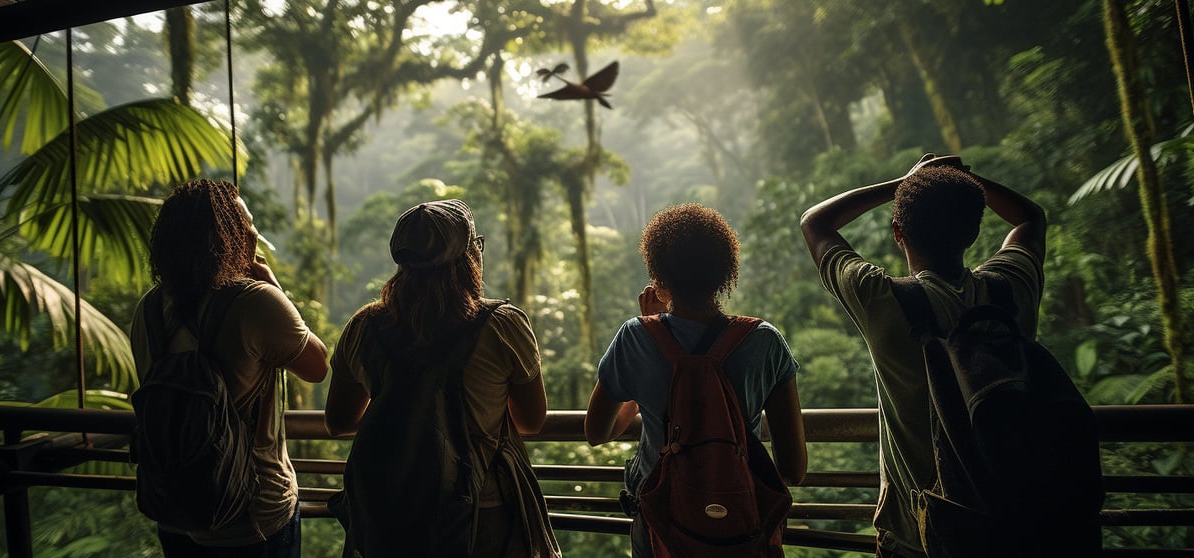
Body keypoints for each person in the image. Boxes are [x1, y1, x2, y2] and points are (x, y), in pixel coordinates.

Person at [799, 154, 1047, 558]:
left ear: (898, 232)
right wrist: (962, 180)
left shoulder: (881, 299)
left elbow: (815, 222)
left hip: (918, 537)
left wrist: (905, 180)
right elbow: (1030, 218)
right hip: (1014, 527)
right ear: (973, 229)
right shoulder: (1011, 288)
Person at [324, 199, 560, 558]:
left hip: (390, 508)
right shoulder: (502, 325)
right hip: (481, 509)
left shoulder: (364, 326)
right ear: (469, 257)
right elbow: (531, 421)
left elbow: (339, 421)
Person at [584, 203, 808, 557]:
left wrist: (649, 347)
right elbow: (793, 469)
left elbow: (597, 433)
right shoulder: (765, 341)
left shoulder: (634, 338)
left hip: (661, 525)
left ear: (659, 278)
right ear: (725, 272)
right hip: (739, 522)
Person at [131, 179, 329, 557]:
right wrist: (273, 285)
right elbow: (317, 365)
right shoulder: (255, 302)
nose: (254, 232)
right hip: (253, 517)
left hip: (174, 513)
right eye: (246, 224)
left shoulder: (150, 310)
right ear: (230, 235)